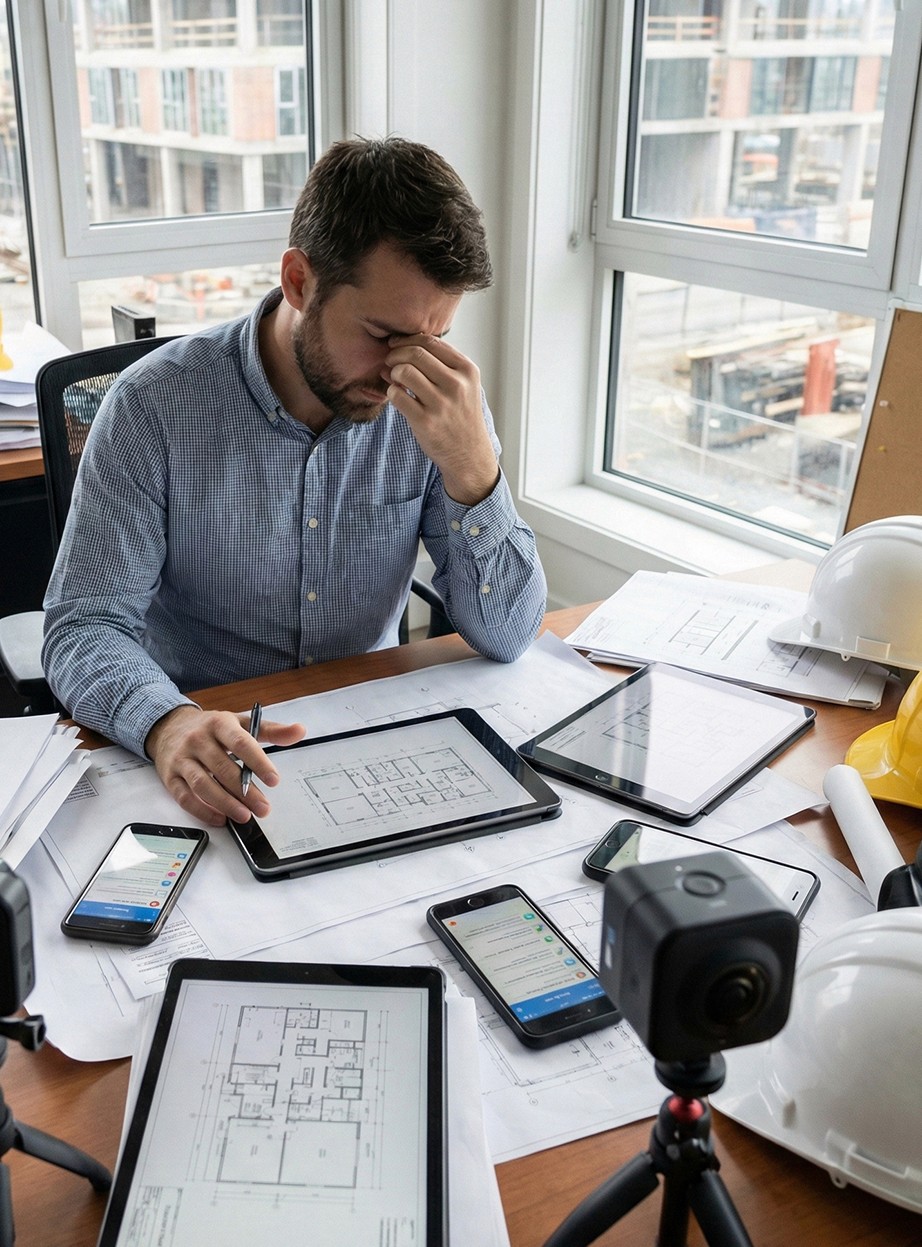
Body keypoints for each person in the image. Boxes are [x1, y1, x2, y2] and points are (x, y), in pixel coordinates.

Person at [42, 136, 546, 829]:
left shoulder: (437, 405)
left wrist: (473, 470)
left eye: (431, 337)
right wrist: (165, 723)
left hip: (369, 738)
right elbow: (85, 625)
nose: (404, 369)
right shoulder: (151, 408)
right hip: (204, 744)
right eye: (382, 334)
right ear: (300, 281)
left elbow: (511, 635)